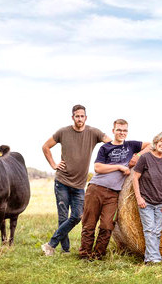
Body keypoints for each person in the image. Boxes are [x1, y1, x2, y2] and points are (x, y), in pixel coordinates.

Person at [41, 104, 111, 256]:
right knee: (63, 216)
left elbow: (111, 143)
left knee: (77, 216)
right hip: (62, 182)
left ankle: (51, 244)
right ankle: (65, 250)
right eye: (77, 116)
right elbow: (45, 147)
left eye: (82, 116)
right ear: (73, 117)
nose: (80, 119)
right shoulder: (63, 132)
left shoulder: (94, 132)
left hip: (79, 185)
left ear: (86, 117)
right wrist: (53, 164)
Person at [79, 119, 150, 260]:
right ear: (113, 131)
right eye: (119, 130)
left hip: (113, 193)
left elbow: (150, 144)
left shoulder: (131, 146)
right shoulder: (105, 147)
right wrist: (119, 167)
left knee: (107, 225)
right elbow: (98, 167)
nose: (122, 133)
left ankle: (98, 255)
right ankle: (84, 255)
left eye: (124, 130)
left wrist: (137, 156)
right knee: (89, 224)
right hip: (96, 188)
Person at [133, 132, 162, 264]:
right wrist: (139, 198)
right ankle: (155, 259)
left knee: (156, 232)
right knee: (149, 229)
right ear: (156, 142)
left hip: (161, 202)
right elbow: (135, 177)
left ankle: (149, 258)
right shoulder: (145, 158)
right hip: (146, 201)